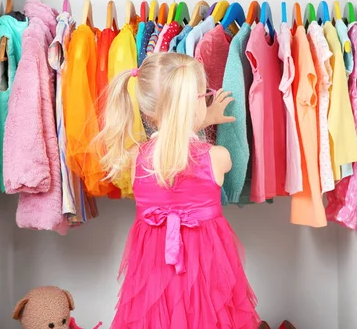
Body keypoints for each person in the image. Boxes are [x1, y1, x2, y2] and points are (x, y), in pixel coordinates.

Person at [97, 53, 261, 328]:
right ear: (195, 102)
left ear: (147, 111)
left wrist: (196, 119)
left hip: (154, 269)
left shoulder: (138, 156)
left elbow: (173, 148)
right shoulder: (217, 156)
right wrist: (203, 121)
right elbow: (187, 150)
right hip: (206, 267)